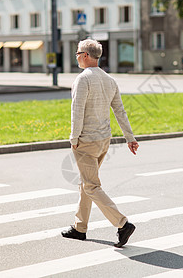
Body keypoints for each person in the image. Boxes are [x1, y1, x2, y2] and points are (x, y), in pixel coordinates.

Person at [62, 39, 139, 248]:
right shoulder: (109, 80)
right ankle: (80, 228)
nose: (76, 56)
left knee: (91, 185)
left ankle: (122, 224)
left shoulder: (83, 79)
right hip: (104, 141)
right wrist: (129, 138)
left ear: (86, 55)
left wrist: (74, 138)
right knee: (87, 183)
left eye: (78, 53)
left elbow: (77, 112)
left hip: (86, 141)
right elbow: (120, 111)